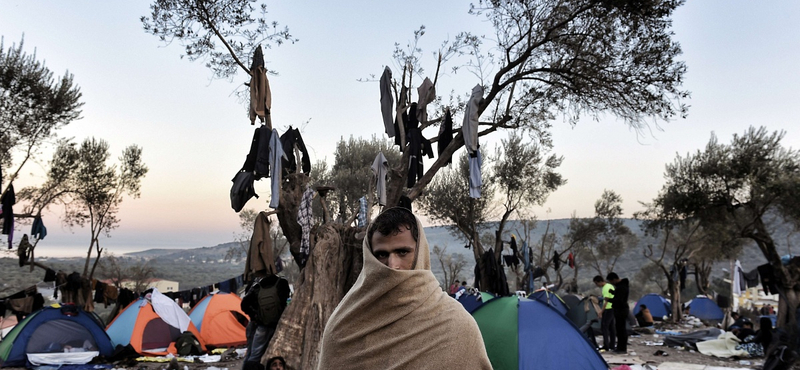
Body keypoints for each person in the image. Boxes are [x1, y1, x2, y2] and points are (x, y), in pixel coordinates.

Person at [316, 207, 492, 369]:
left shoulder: (455, 324)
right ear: (370, 258)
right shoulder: (343, 326)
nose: (392, 265)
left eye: (402, 252)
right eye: (382, 254)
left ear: (419, 253)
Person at [241, 273, 290, 370]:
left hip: (262, 326)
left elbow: (244, 305)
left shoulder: (256, 285)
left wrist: (255, 317)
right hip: (279, 325)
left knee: (254, 355)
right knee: (280, 355)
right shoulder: (282, 283)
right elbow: (285, 298)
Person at [607, 272, 629, 354]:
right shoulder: (621, 287)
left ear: (614, 279)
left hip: (621, 310)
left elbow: (619, 300)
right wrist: (613, 292)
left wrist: (608, 300)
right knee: (620, 329)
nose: (611, 283)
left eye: (611, 281)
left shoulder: (621, 287)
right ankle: (620, 347)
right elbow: (619, 296)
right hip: (621, 310)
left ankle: (622, 348)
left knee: (621, 330)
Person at [594, 275, 616, 351]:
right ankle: (612, 345)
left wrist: (601, 311)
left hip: (608, 308)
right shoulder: (610, 286)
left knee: (604, 326)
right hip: (613, 308)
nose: (597, 285)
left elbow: (606, 301)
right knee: (611, 327)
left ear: (599, 281)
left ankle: (606, 345)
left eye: (596, 284)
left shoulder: (605, 288)